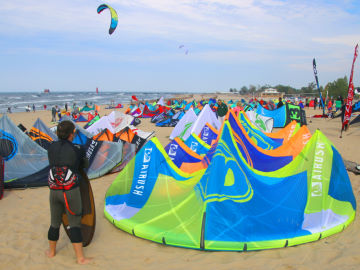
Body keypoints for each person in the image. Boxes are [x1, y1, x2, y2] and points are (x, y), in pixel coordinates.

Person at [46, 120, 92, 264]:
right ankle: (80, 258)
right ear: (72, 133)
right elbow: (85, 165)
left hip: (53, 190)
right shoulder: (78, 148)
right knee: (74, 224)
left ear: (58, 133)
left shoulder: (50, 147)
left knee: (54, 222)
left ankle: (52, 252)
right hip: (70, 191)